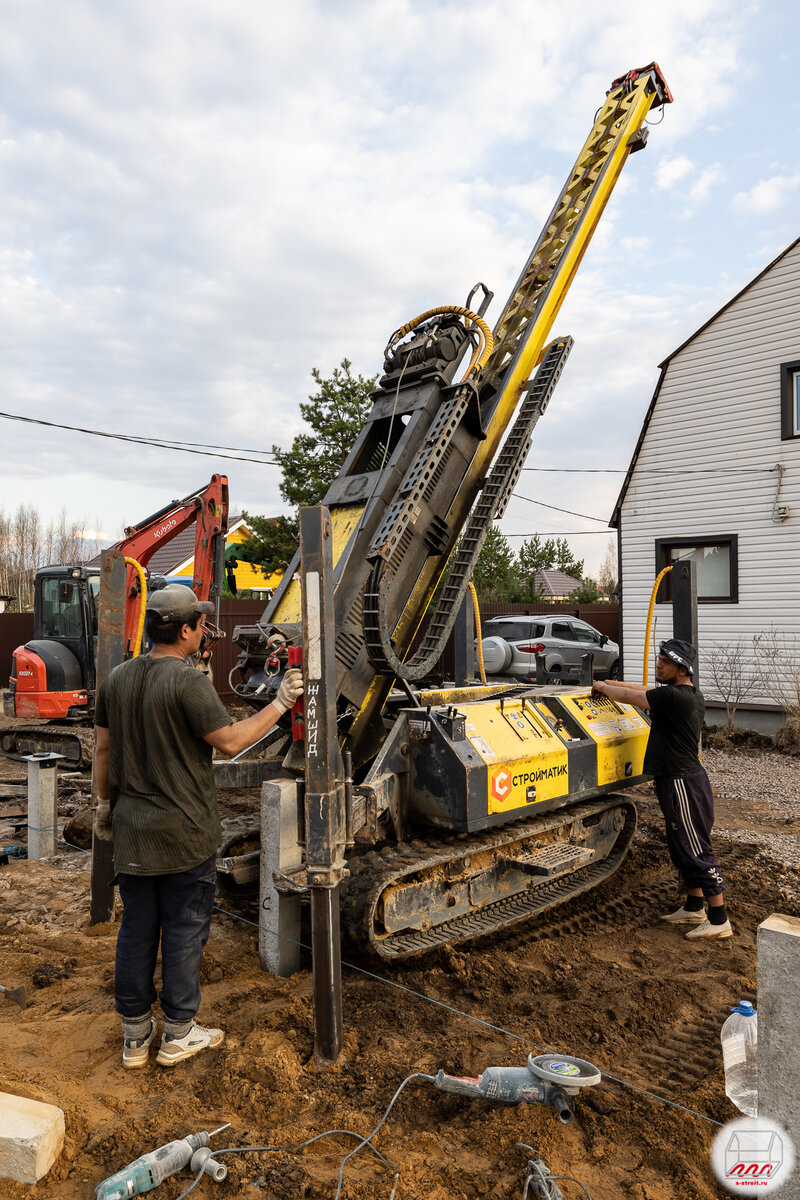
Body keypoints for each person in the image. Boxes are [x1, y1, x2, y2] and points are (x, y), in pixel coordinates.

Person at [93, 584, 304, 1069]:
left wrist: (105, 806)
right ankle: (179, 1034)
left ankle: (134, 1038)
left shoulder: (117, 680)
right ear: (185, 630)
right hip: (185, 836)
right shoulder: (188, 683)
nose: (204, 631)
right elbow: (229, 742)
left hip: (132, 836)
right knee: (185, 931)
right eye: (200, 625)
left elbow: (103, 751)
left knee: (137, 932)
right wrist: (279, 704)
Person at [592, 638, 731, 941]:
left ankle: (719, 919)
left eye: (665, 662)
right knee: (681, 845)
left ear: (682, 670)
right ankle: (694, 906)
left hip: (683, 782)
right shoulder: (680, 693)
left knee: (695, 848)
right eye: (659, 658)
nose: (659, 664)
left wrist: (604, 690)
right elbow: (640, 690)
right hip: (677, 780)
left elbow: (633, 696)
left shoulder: (677, 697)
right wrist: (605, 681)